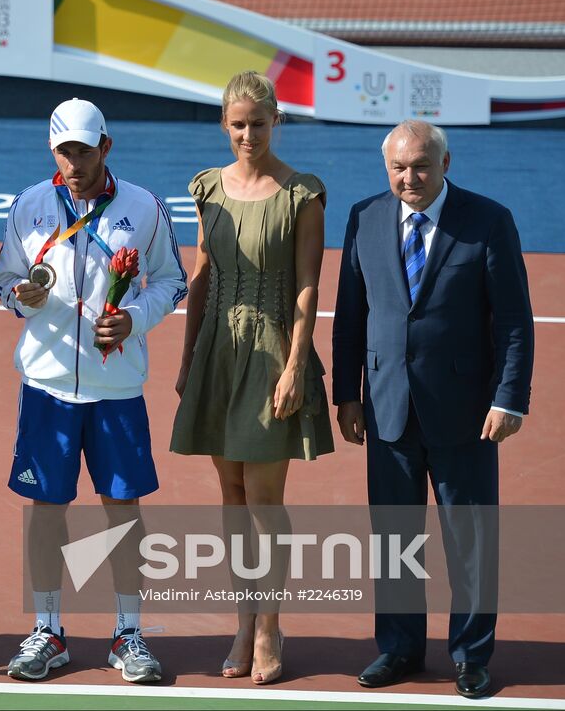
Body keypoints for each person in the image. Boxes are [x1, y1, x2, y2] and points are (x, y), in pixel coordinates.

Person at [332, 119, 534, 700]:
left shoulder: (488, 220)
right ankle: (398, 648)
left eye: (421, 165)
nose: (409, 177)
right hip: (387, 406)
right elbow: (351, 316)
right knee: (395, 539)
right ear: (385, 167)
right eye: (398, 167)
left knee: (469, 539)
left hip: (467, 411)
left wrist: (508, 397)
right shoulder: (365, 218)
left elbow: (515, 322)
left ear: (446, 163)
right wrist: (347, 394)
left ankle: (471, 656)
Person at [0, 97, 187, 684]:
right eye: (64, 151)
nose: (75, 162)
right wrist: (17, 298)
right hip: (47, 385)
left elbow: (173, 282)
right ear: (53, 151)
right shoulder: (27, 206)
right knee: (47, 509)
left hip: (117, 386)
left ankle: (128, 632)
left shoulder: (144, 206)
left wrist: (135, 319)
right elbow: (4, 277)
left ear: (106, 147)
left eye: (85, 149)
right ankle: (48, 629)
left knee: (121, 509)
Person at [169, 70, 333, 685]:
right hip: (217, 351)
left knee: (265, 500)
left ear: (275, 123)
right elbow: (203, 275)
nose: (247, 134)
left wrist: (295, 366)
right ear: (224, 125)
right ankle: (243, 620)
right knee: (231, 496)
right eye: (237, 124)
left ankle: (269, 626)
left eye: (258, 124)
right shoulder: (206, 188)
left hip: (272, 353)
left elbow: (309, 285)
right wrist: (188, 360)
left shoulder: (303, 194)